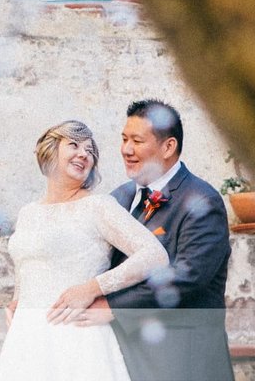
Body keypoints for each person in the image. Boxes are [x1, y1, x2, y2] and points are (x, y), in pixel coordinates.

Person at [0, 120, 167, 380]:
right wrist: (18, 299)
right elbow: (27, 264)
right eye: (73, 145)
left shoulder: (98, 206)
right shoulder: (27, 213)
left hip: (77, 338)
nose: (84, 154)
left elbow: (155, 256)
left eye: (89, 150)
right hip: (27, 340)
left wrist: (92, 289)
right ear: (50, 151)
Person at [97, 99, 234, 381]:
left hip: (185, 361)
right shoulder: (118, 198)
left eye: (137, 140)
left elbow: (189, 275)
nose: (126, 149)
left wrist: (112, 307)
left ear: (168, 147)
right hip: (127, 358)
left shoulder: (201, 201)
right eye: (124, 139)